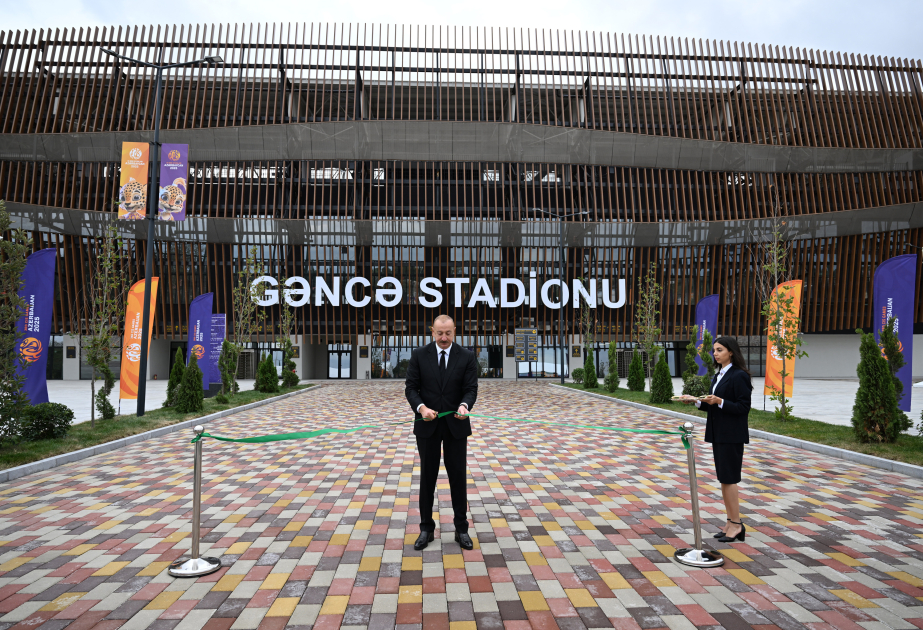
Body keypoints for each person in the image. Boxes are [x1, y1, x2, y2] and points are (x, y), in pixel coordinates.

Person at [405, 314, 479, 550]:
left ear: (454, 331)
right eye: (440, 333)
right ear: (432, 331)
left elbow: (470, 389)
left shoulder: (466, 356)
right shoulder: (419, 355)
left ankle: (461, 529)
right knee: (428, 477)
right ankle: (426, 529)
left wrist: (465, 406)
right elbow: (411, 388)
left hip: (456, 425)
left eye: (448, 333)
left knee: (458, 478)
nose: (444, 337)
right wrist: (421, 408)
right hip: (427, 425)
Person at [680, 336, 752, 543]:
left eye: (719, 350)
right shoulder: (720, 374)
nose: (715, 353)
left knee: (729, 479)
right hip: (719, 433)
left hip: (731, 435)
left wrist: (720, 401)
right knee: (724, 479)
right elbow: (713, 403)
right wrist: (695, 402)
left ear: (731, 352)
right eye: (714, 350)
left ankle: (737, 524)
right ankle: (730, 523)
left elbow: (743, 407)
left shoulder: (739, 376)